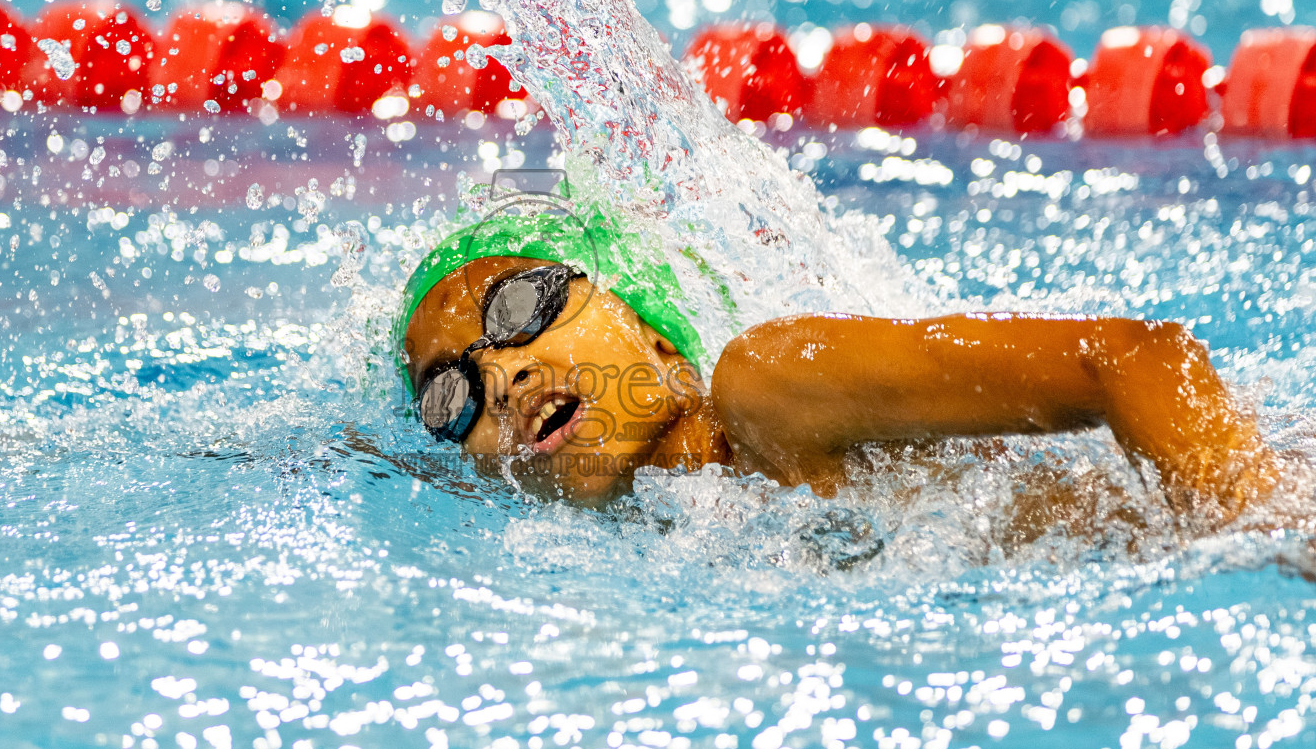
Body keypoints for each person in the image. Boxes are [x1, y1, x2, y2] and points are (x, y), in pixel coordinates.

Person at [396, 210, 1283, 531]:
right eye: (450, 392)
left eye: (520, 308)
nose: (500, 377)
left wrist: (1262, 528)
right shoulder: (657, 517)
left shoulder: (766, 388)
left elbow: (1133, 356)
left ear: (653, 329)